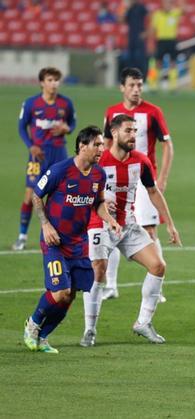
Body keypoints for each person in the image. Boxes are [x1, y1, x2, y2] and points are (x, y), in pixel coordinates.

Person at [81, 115, 181, 347]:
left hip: (128, 225)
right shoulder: (99, 159)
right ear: (114, 133)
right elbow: (79, 189)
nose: (133, 135)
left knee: (158, 266)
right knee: (98, 271)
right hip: (100, 224)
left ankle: (143, 323)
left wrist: (170, 224)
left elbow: (153, 192)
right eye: (128, 130)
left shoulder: (141, 161)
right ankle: (90, 329)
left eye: (135, 131)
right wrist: (101, 200)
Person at [22, 126, 121, 354]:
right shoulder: (60, 170)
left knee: (71, 295)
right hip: (54, 241)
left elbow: (98, 203)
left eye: (102, 145)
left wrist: (110, 220)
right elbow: (37, 195)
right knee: (60, 292)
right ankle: (33, 324)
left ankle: (44, 337)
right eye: (96, 144)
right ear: (82, 146)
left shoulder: (99, 174)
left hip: (78, 243)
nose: (101, 149)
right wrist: (45, 224)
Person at [101, 67, 174, 301]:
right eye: (132, 85)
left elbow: (167, 145)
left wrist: (162, 177)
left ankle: (157, 286)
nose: (136, 89)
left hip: (143, 178)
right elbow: (104, 145)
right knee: (112, 226)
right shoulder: (112, 113)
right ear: (122, 87)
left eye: (140, 85)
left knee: (150, 229)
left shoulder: (153, 112)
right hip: (115, 178)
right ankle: (111, 285)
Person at [13, 67, 76, 251]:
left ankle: (60, 235)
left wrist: (67, 129)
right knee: (30, 196)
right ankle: (22, 237)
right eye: (50, 80)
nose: (54, 84)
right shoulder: (31, 103)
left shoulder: (66, 103)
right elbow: (21, 127)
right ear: (42, 82)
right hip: (37, 156)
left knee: (61, 197)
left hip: (59, 154)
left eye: (56, 80)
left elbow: (72, 123)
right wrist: (30, 145)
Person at [149, 0, 183, 91]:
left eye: (169, 3)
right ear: (162, 4)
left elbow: (184, 8)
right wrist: (151, 42)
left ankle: (173, 86)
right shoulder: (157, 14)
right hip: (161, 40)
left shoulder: (175, 13)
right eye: (165, 3)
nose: (167, 5)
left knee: (173, 63)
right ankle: (153, 85)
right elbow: (153, 29)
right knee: (157, 63)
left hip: (172, 40)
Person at [124, 0, 149, 76]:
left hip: (140, 38)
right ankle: (132, 77)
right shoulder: (129, 9)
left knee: (141, 59)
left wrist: (146, 32)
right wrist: (126, 8)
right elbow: (122, 20)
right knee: (131, 59)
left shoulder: (141, 7)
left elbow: (149, 19)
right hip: (131, 37)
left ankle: (143, 79)